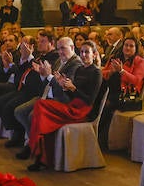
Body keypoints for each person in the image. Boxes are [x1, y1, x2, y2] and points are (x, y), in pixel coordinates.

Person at [22, 40, 103, 171]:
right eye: (81, 52)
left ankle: (37, 152)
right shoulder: (80, 69)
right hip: (73, 105)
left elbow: (89, 100)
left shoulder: (96, 72)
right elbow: (72, 96)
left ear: (94, 54)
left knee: (41, 107)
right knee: (41, 108)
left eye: (86, 52)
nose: (83, 55)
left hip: (83, 111)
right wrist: (64, 86)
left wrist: (73, 89)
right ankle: (41, 156)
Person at [99, 35, 144, 148]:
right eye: (126, 45)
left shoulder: (139, 61)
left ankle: (99, 138)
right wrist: (111, 72)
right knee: (97, 101)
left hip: (128, 96)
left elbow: (136, 80)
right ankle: (95, 135)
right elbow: (103, 73)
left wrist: (121, 71)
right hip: (110, 91)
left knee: (106, 105)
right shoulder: (115, 58)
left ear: (136, 48)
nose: (128, 48)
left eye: (131, 46)